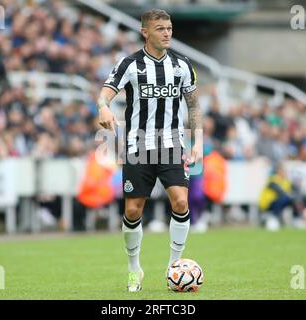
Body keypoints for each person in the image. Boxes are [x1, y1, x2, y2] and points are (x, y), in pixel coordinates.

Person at [97, 9, 203, 292]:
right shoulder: (129, 64)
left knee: (180, 202)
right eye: (160, 28)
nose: (167, 33)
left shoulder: (182, 65)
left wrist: (199, 142)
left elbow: (193, 105)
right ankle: (134, 270)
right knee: (133, 210)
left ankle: (174, 268)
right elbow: (106, 92)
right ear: (145, 32)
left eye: (169, 27)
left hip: (172, 144)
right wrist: (103, 107)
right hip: (137, 145)